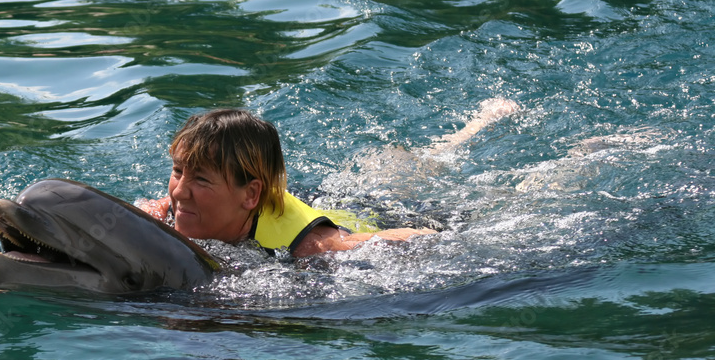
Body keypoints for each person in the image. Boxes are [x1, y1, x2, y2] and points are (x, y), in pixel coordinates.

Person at [136, 100, 518, 258]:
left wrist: (449, 238)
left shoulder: (314, 246)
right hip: (307, 198)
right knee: (385, 171)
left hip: (368, 219)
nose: (180, 190)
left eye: (200, 180)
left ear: (250, 194)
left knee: (411, 176)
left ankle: (480, 127)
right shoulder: (177, 204)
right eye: (177, 170)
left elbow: (407, 239)